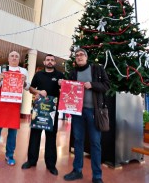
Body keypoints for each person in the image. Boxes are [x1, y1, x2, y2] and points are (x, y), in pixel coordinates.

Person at [64, 48, 110, 183]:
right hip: (77, 112)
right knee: (78, 141)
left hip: (94, 112)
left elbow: (107, 85)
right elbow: (69, 90)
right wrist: (63, 84)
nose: (79, 57)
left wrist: (93, 85)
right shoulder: (73, 73)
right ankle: (77, 170)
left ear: (86, 57)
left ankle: (97, 176)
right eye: (77, 55)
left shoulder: (97, 69)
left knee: (95, 143)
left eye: (81, 55)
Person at [21, 54, 65, 175]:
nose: (50, 62)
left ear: (55, 63)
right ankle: (31, 161)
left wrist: (62, 85)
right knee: (35, 135)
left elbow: (65, 92)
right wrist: (38, 92)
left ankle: (51, 165)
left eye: (52, 60)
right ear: (44, 62)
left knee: (51, 137)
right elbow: (31, 89)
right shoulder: (38, 74)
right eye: (48, 60)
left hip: (52, 111)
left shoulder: (60, 75)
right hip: (38, 109)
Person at [0, 51, 30, 167]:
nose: (14, 58)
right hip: (2, 102)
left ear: (19, 60)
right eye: (12, 56)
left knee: (13, 131)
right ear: (8, 58)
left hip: (15, 103)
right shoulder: (2, 68)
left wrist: (24, 82)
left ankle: (10, 154)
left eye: (16, 56)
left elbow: (28, 87)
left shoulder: (23, 71)